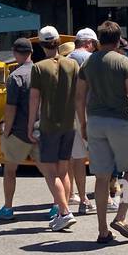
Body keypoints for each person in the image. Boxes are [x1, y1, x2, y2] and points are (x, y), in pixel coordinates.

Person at [77, 19, 128, 244]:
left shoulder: (88, 64)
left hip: (95, 123)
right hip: (119, 121)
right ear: (119, 39)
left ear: (99, 41)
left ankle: (102, 230)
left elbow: (79, 97)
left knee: (101, 176)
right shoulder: (124, 62)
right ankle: (120, 216)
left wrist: (83, 123)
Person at [28, 30, 79, 232]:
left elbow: (34, 99)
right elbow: (80, 94)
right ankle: (61, 212)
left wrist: (30, 124)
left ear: (41, 45)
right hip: (69, 123)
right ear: (59, 42)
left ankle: (65, 212)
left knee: (50, 172)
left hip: (49, 125)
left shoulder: (39, 68)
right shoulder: (72, 64)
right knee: (63, 170)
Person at [0, 37, 35, 221]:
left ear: (16, 54)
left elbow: (11, 108)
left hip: (18, 130)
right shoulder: (41, 71)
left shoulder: (15, 76)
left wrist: (6, 129)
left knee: (10, 170)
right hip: (41, 128)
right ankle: (59, 207)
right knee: (51, 171)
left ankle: (8, 208)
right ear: (31, 52)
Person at [67, 28, 97, 213]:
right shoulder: (89, 59)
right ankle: (108, 197)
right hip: (87, 111)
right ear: (88, 43)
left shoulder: (67, 58)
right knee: (101, 154)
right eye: (94, 44)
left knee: (74, 157)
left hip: (68, 112)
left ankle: (74, 195)